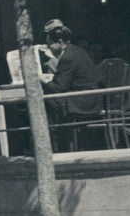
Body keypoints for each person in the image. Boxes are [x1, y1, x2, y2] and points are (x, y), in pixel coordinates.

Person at [41, 20, 102, 151]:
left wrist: (43, 80)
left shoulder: (68, 57)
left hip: (83, 101)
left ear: (60, 42)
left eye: (50, 44)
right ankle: (61, 142)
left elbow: (59, 87)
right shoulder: (75, 51)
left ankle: (56, 145)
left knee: (45, 100)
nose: (49, 47)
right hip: (89, 98)